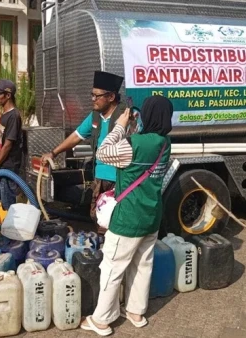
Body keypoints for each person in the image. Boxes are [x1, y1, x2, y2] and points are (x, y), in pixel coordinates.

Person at [79, 96, 172, 336]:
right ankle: (136, 312)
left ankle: (101, 320)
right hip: (151, 215)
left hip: (129, 217)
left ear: (148, 116)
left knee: (113, 266)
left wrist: (120, 124)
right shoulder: (164, 142)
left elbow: (103, 152)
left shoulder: (136, 143)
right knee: (143, 264)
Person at [40, 71, 124, 230]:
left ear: (111, 97)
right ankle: (101, 248)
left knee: (113, 221)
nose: (93, 99)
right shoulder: (95, 116)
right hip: (100, 178)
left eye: (97, 96)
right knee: (97, 217)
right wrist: (53, 152)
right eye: (92, 95)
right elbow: (76, 136)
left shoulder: (125, 116)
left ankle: (109, 250)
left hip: (120, 179)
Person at [0, 79, 23, 211]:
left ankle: (8, 230)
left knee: (8, 205)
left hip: (8, 167)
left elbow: (8, 145)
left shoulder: (14, 116)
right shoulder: (4, 116)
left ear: (8, 95)